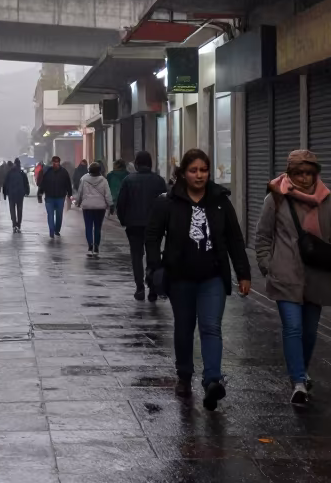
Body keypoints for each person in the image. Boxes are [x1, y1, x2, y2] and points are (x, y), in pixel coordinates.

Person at [146, 148, 252, 410]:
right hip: (180, 278)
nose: (199, 175)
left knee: (211, 327)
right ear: (183, 173)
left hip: (212, 276)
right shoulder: (168, 202)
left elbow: (235, 239)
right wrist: (155, 269)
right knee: (184, 328)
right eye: (193, 170)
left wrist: (243, 273)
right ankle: (184, 374)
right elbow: (152, 236)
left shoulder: (219, 201)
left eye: (204, 170)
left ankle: (212, 380)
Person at [256, 150, 331, 408]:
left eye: (309, 173)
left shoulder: (327, 201)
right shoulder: (275, 198)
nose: (304, 178)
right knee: (293, 327)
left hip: (316, 275)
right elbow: (263, 236)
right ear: (290, 173)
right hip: (284, 275)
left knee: (309, 332)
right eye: (298, 173)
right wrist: (268, 265)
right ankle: (298, 381)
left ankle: (302, 371)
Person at [116, 151, 168, 301]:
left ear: (137, 164)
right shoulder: (158, 181)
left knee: (136, 256)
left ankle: (139, 288)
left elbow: (121, 204)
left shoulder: (128, 180)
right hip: (154, 226)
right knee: (154, 256)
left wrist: (124, 220)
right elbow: (165, 203)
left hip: (134, 225)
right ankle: (153, 287)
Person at [75, 162, 112, 256]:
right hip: (100, 207)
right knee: (97, 228)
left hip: (87, 206)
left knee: (88, 226)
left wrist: (78, 202)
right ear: (99, 170)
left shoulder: (84, 179)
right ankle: (96, 247)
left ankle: (90, 245)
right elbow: (107, 194)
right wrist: (110, 205)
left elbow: (80, 192)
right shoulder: (103, 180)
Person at [37, 155, 73, 239]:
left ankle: (57, 230)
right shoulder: (47, 172)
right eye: (54, 162)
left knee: (59, 215)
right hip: (49, 197)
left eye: (57, 162)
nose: (55, 164)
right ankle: (51, 231)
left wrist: (69, 194)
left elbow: (68, 183)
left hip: (60, 197)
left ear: (59, 163)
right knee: (50, 214)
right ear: (52, 163)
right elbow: (42, 184)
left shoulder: (64, 172)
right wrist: (40, 193)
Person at [3, 157, 31, 232]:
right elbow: (26, 183)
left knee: (12, 209)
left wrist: (5, 193)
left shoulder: (9, 173)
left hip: (11, 194)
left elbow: (5, 183)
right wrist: (27, 191)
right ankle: (19, 225)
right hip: (20, 194)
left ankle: (14, 224)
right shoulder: (22, 173)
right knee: (19, 209)